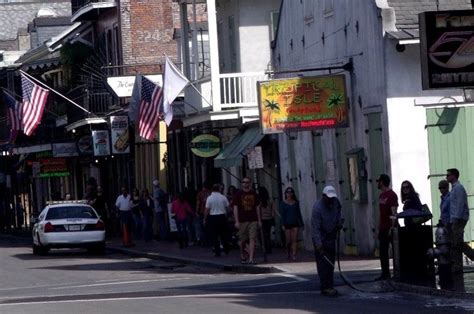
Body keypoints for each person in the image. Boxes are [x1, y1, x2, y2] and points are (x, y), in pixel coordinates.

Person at [311, 185, 344, 297]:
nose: (331, 199)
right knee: (323, 264)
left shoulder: (336, 202)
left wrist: (339, 223)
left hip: (331, 236)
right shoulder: (317, 208)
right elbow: (315, 228)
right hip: (321, 237)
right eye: (328, 197)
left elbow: (339, 212)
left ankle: (330, 285)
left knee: (331, 263)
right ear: (323, 196)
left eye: (332, 197)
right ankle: (325, 287)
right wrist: (318, 245)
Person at [446, 168, 474, 273]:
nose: (447, 177)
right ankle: (457, 266)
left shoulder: (458, 188)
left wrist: (456, 218)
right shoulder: (454, 189)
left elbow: (460, 204)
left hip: (459, 219)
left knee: (457, 242)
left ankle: (472, 255)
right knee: (456, 243)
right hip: (455, 219)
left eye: (448, 175)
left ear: (454, 176)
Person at [376, 174, 398, 280]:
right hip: (383, 227)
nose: (377, 183)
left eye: (378, 181)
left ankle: (397, 272)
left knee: (395, 251)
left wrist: (392, 227)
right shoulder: (381, 195)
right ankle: (385, 273)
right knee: (383, 252)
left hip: (390, 226)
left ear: (382, 182)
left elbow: (394, 212)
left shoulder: (392, 195)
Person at [233, 177, 261, 264]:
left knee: (252, 238)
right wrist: (236, 221)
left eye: (247, 182)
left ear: (250, 183)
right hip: (242, 220)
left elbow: (257, 207)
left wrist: (259, 220)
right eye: (244, 182)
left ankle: (251, 258)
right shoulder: (238, 194)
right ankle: (242, 254)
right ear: (242, 184)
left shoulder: (254, 194)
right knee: (242, 240)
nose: (246, 184)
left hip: (253, 219)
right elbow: (235, 208)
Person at [205, 184, 230, 257]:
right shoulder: (223, 197)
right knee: (223, 234)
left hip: (213, 217)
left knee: (214, 235)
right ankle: (226, 248)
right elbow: (228, 208)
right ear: (219, 189)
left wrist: (205, 218)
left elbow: (207, 209)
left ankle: (217, 251)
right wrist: (227, 214)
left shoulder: (209, 198)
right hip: (222, 216)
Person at [280, 187, 304, 261]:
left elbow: (298, 213)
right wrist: (282, 224)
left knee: (294, 240)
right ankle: (288, 252)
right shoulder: (283, 203)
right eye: (287, 192)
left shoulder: (296, 203)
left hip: (295, 223)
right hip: (287, 223)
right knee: (288, 240)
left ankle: (294, 255)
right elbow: (282, 214)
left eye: (291, 192)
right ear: (285, 194)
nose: (289, 194)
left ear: (293, 193)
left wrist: (302, 223)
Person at [258, 186, 275, 254]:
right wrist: (272, 216)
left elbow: (258, 210)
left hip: (262, 219)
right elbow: (273, 211)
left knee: (262, 234)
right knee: (268, 234)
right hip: (269, 219)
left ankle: (265, 247)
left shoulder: (259, 201)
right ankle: (269, 248)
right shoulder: (270, 200)